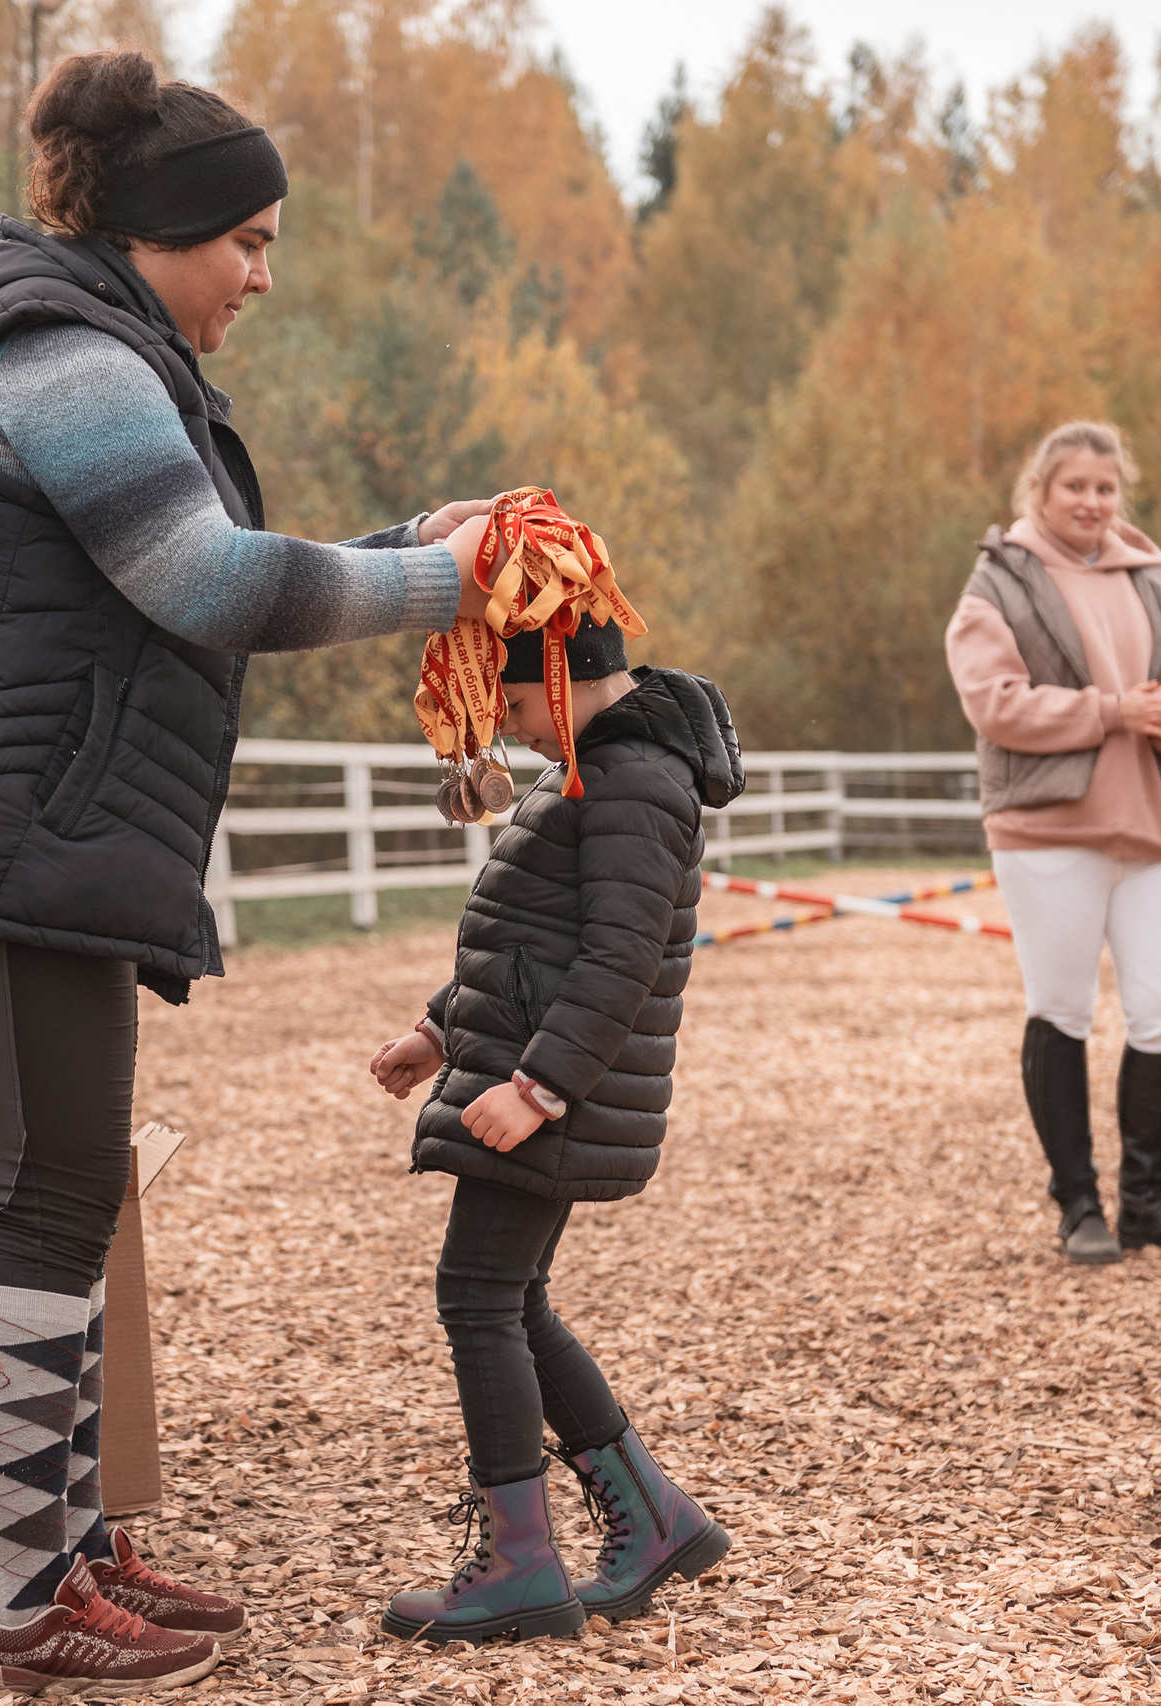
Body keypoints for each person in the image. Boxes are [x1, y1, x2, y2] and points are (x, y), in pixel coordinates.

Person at [0, 51, 496, 1696]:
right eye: (246, 239)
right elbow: (203, 579)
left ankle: (63, 1544)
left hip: (38, 834)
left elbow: (190, 573)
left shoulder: (98, 349)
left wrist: (405, 550)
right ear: (164, 233)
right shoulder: (60, 351)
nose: (263, 272)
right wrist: (445, 581)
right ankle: (19, 1596)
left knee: (74, 1185)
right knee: (41, 1189)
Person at [366, 618, 744, 1644]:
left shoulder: (630, 781)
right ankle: (654, 1516)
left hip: (549, 1086)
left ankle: (519, 1563)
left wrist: (538, 1087)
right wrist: (440, 1028)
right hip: (527, 1064)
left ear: (566, 675)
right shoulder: (595, 767)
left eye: (521, 705)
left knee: (477, 1295)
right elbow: (534, 937)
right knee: (511, 1297)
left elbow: (617, 960)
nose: (517, 729)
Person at [944, 420, 1161, 1265]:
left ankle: (1148, 1200)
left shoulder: (1152, 577)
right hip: (1046, 829)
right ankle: (1079, 1206)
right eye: (1075, 487)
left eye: (1105, 489)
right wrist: (1114, 711)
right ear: (1041, 490)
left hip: (1148, 822)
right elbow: (995, 702)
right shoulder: (996, 584)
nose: (1092, 503)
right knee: (1062, 1008)